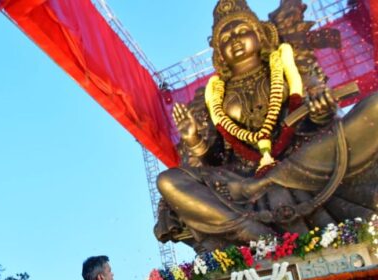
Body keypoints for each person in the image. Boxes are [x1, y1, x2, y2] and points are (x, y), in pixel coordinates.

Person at [155, 0, 378, 252]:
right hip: (243, 177)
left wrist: (320, 110)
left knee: (375, 107)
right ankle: (252, 231)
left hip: (303, 159)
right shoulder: (209, 96)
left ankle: (270, 184)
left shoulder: (290, 66)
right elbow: (215, 159)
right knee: (169, 180)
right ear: (219, 51)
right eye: (226, 38)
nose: (235, 40)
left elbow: (320, 120)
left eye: (241, 31)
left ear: (260, 34)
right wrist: (194, 140)